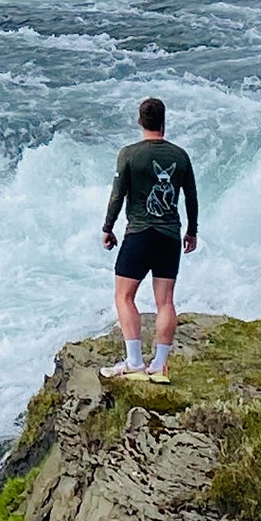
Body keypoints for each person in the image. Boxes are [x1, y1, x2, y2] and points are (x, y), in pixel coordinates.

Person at [99, 96, 198, 381]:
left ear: (140, 121)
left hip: (140, 234)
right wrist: (192, 231)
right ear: (164, 122)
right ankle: (160, 366)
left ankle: (134, 362)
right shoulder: (179, 156)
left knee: (124, 295)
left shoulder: (129, 154)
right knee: (165, 302)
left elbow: (118, 195)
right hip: (169, 236)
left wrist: (108, 227)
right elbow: (191, 197)